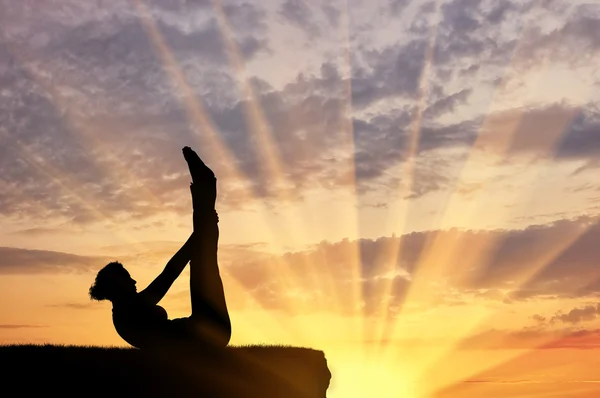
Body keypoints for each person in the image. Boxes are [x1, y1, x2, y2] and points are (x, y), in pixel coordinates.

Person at [88, 147, 231, 351]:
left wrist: (201, 232)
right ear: (118, 285)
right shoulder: (131, 310)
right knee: (203, 256)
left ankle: (205, 193)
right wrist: (200, 232)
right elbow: (169, 275)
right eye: (128, 279)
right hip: (210, 333)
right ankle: (205, 192)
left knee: (203, 252)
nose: (134, 281)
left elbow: (169, 273)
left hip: (206, 332)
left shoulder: (125, 311)